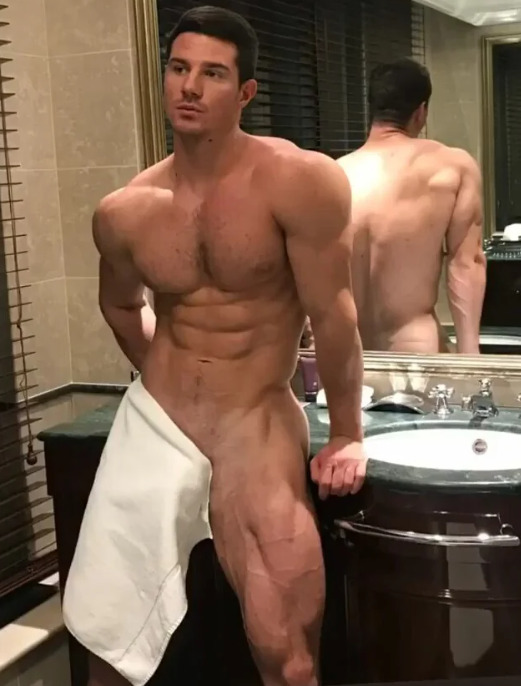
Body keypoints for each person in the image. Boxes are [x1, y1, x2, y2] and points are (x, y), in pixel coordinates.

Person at [61, 6, 366, 686]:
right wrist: (165, 379)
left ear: (246, 91)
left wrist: (347, 433)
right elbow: (119, 305)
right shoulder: (125, 210)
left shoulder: (297, 181)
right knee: (105, 650)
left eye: (213, 73)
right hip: (157, 423)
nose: (190, 86)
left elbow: (334, 316)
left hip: (252, 425)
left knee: (288, 658)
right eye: (178, 68)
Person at [336, 57, 486, 354]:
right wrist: (470, 359)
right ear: (421, 112)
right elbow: (466, 264)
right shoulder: (452, 166)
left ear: (373, 109)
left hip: (347, 354)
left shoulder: (334, 173)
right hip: (414, 350)